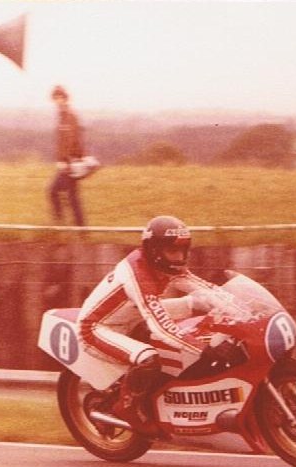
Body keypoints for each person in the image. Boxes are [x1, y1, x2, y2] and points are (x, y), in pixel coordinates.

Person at [78, 216, 221, 424]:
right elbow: (161, 325)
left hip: (132, 317)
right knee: (148, 358)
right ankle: (126, 407)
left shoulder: (165, 264)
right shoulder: (138, 274)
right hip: (98, 328)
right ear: (154, 249)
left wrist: (245, 308)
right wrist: (203, 348)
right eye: (173, 251)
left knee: (198, 302)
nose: (179, 257)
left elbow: (204, 288)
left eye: (183, 250)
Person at [49, 85, 86, 226]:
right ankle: (81, 229)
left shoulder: (69, 116)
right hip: (69, 163)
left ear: (65, 98)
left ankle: (59, 224)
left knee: (53, 191)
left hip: (70, 163)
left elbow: (71, 140)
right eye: (55, 98)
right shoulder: (63, 116)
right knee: (72, 197)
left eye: (60, 98)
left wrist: (65, 161)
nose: (57, 101)